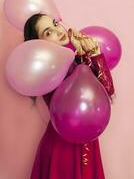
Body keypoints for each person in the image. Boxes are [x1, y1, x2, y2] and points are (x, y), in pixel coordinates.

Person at [24, 13, 115, 179]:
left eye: (55, 24)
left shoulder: (75, 57)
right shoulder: (47, 70)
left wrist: (92, 54)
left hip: (88, 139)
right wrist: (86, 56)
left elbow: (108, 92)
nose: (58, 31)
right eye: (48, 32)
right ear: (38, 45)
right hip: (63, 146)